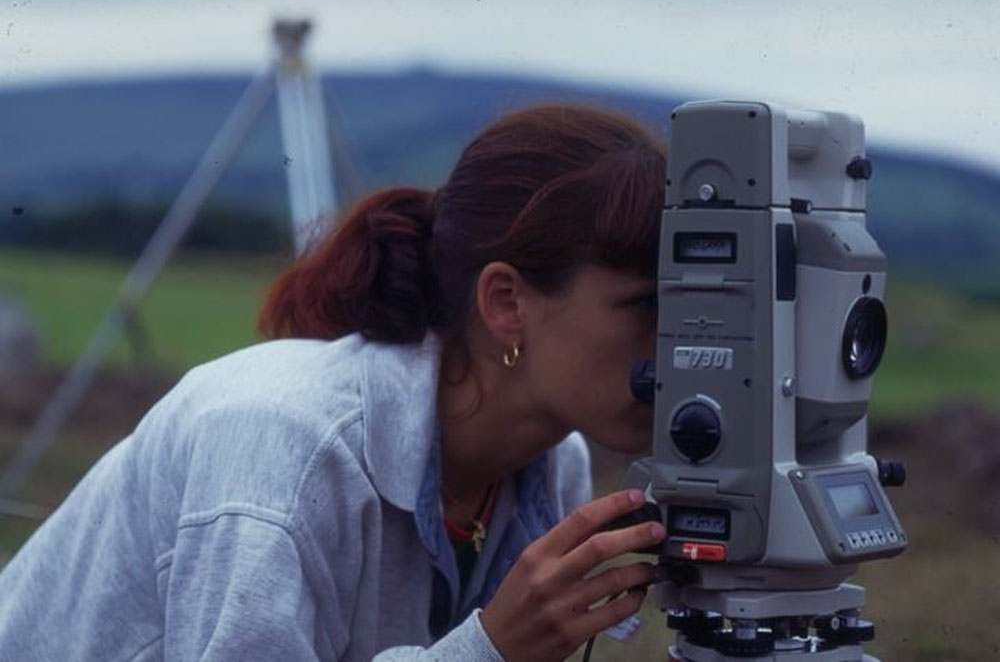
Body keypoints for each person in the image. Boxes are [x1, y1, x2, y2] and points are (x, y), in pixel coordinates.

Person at [0, 103, 668, 661]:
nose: (680, 339)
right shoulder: (285, 443)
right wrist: (485, 652)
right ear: (506, 304)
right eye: (646, 304)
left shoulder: (551, 470)